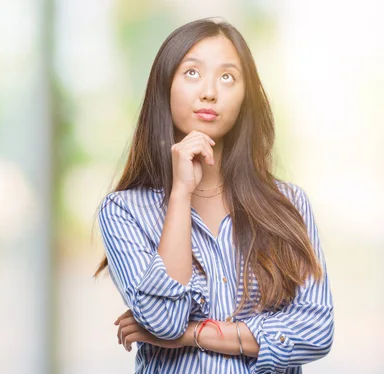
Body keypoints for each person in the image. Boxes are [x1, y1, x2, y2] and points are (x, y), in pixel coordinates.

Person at [94, 18, 334, 374]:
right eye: (192, 73)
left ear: (244, 97)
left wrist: (193, 335)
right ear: (165, 87)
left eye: (227, 77)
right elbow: (163, 321)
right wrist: (180, 193)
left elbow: (315, 332)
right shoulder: (124, 211)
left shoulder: (288, 204)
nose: (209, 92)